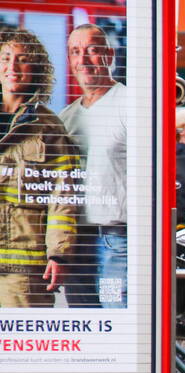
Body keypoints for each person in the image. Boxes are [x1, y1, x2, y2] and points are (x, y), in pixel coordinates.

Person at [0, 28, 78, 308]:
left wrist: (58, 253)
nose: (12, 66)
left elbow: (63, 197)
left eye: (22, 59)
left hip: (22, 273)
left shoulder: (48, 127)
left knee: (21, 350)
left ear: (36, 69)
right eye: (6, 57)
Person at [58, 23, 127, 309]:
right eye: (75, 51)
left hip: (116, 243)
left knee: (115, 319)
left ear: (109, 55)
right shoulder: (65, 117)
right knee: (85, 325)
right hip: (76, 243)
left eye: (92, 50)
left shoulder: (130, 105)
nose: (83, 59)